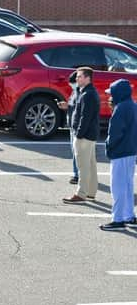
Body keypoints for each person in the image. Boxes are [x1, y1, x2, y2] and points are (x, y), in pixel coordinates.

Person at [99, 79, 137, 230]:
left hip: (120, 152)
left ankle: (118, 219)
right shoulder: (133, 106)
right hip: (131, 151)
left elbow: (114, 133)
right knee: (127, 185)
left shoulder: (120, 108)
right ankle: (129, 215)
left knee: (118, 186)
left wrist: (109, 147)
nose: (110, 96)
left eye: (112, 93)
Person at [63, 67, 100, 204]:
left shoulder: (88, 94)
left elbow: (86, 117)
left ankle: (81, 194)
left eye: (79, 77)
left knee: (83, 166)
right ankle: (91, 192)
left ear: (87, 78)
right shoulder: (84, 92)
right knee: (90, 164)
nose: (76, 79)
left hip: (84, 136)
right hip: (89, 134)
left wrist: (78, 134)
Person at [57, 71, 80, 185]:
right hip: (72, 126)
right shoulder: (75, 92)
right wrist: (67, 106)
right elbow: (73, 106)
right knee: (75, 152)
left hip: (77, 128)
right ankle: (77, 174)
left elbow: (80, 110)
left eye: (72, 83)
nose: (71, 86)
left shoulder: (82, 93)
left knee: (78, 153)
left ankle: (78, 175)